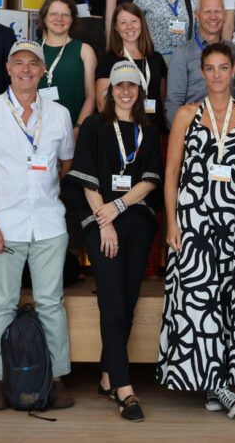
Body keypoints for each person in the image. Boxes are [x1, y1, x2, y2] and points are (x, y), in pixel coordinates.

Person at [157, 43, 235, 417]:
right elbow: (171, 171)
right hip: (194, 220)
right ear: (202, 72)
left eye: (225, 67)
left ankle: (216, 382)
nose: (218, 75)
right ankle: (217, 386)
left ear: (233, 72)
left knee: (231, 300)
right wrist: (172, 221)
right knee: (197, 303)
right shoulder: (187, 115)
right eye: (211, 68)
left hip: (234, 222)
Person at [0, 41, 76, 411]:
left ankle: (56, 378)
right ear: (8, 69)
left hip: (48, 224)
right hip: (4, 226)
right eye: (18, 63)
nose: (26, 69)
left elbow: (65, 166)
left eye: (33, 64)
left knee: (50, 304)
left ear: (43, 71)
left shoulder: (58, 113)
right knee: (2, 305)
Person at [69, 61, 162, 422]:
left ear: (139, 92)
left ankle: (108, 375)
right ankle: (125, 389)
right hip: (100, 222)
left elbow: (150, 180)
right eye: (119, 86)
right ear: (110, 92)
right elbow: (87, 177)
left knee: (127, 302)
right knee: (111, 301)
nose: (125, 91)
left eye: (132, 86)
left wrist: (120, 205)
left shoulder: (148, 131)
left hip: (136, 222)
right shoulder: (94, 126)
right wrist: (104, 219)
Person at [96, 3, 169, 132]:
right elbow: (102, 104)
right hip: (122, 131)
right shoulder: (107, 60)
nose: (129, 27)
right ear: (116, 28)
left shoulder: (156, 58)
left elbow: (163, 101)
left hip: (154, 129)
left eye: (134, 21)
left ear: (142, 23)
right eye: (123, 22)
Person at [166, 0, 233, 125]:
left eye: (217, 12)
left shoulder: (234, 52)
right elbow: (173, 104)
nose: (213, 17)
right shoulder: (182, 54)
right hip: (194, 127)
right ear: (197, 16)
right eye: (207, 12)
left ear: (224, 16)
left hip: (231, 126)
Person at [36, 0, 98, 129]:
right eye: (53, 14)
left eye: (65, 15)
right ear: (44, 17)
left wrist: (78, 128)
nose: (59, 19)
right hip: (35, 128)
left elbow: (91, 96)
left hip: (71, 128)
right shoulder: (32, 49)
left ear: (72, 19)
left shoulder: (84, 50)